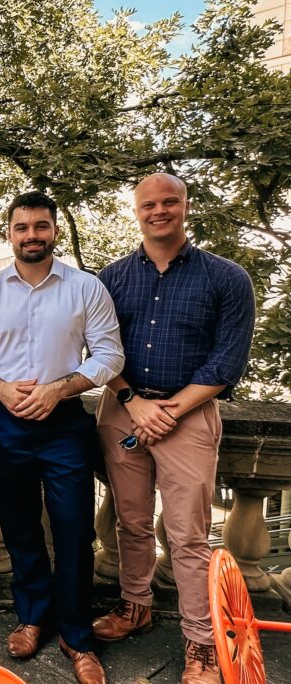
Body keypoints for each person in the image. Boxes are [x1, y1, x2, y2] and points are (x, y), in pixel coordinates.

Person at [92, 174, 254, 684]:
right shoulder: (111, 278)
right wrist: (133, 402)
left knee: (187, 536)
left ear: (185, 205)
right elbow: (98, 349)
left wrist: (167, 411)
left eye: (169, 202)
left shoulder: (226, 278)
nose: (158, 211)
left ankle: (202, 643)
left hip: (190, 415)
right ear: (136, 210)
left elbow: (227, 361)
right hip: (123, 409)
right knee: (131, 521)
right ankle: (135, 606)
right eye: (148, 204)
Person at [0, 191, 124, 684]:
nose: (31, 235)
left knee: (74, 529)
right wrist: (0, 388)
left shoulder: (86, 287)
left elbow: (109, 355)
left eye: (40, 226)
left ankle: (77, 636)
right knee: (19, 527)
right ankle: (31, 617)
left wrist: (58, 389)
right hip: (5, 421)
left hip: (64, 422)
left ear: (53, 230)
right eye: (22, 227)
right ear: (9, 233)